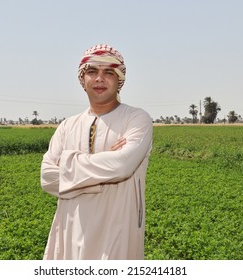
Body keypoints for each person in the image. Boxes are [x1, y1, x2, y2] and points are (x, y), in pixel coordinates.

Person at [40, 44, 152, 260]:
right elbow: (47, 177)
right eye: (92, 71)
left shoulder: (137, 119)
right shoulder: (67, 126)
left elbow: (122, 165)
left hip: (117, 229)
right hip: (71, 230)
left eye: (109, 72)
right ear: (83, 80)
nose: (100, 78)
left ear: (119, 80)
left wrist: (68, 166)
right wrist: (102, 167)